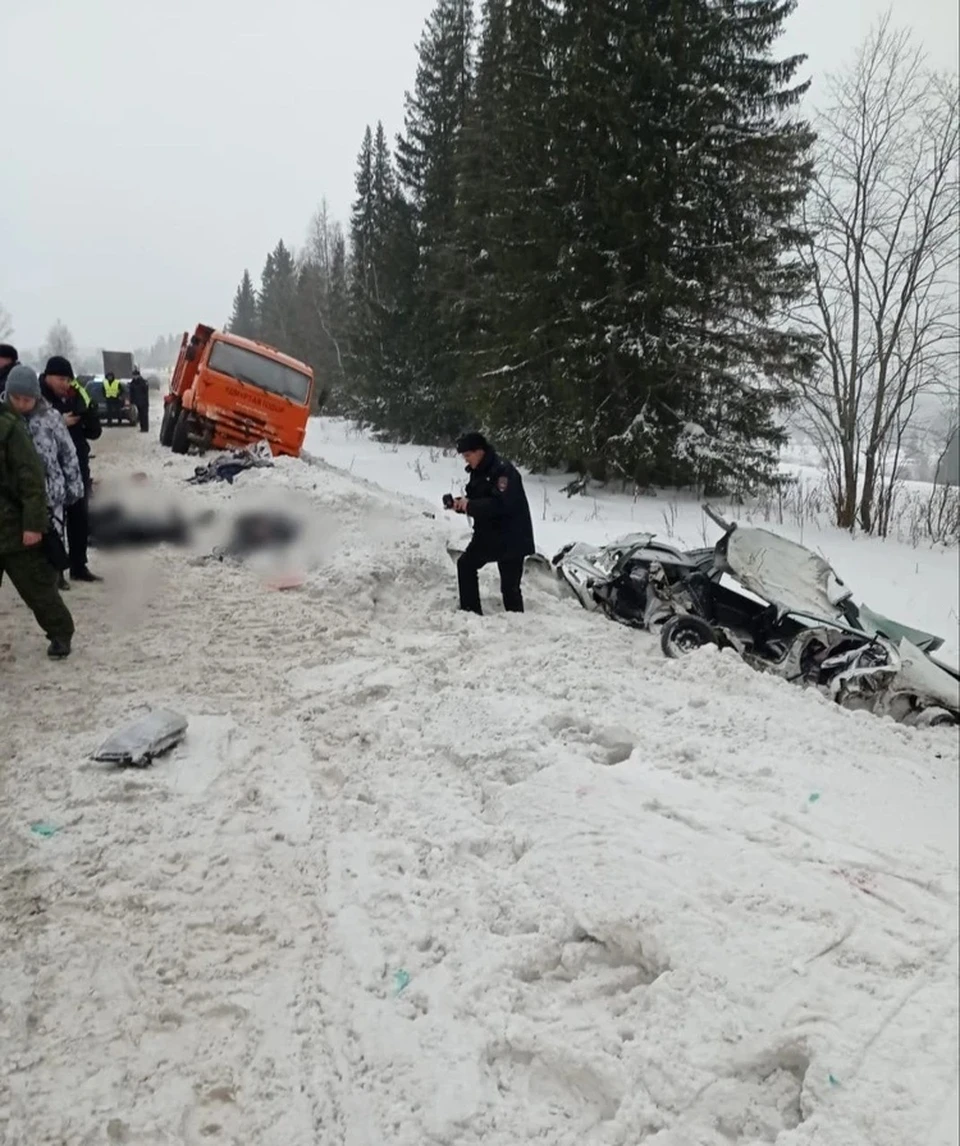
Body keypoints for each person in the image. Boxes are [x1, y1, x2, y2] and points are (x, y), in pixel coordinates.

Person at [0, 390, 75, 658]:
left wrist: (33, 525)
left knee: (37, 588)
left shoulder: (9, 429)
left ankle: (60, 633)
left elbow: (31, 480)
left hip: (13, 527)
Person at [4, 365, 85, 591]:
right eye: (16, 398)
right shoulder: (4, 420)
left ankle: (54, 575)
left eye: (27, 399)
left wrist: (74, 486)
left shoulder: (51, 418)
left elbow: (68, 453)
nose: (21, 404)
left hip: (51, 493)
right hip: (13, 495)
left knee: (53, 537)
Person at [445, 431, 535, 615]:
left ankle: (520, 625)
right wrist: (460, 505)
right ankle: (471, 613)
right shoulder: (479, 471)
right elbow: (480, 500)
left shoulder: (503, 471)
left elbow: (500, 504)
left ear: (480, 451)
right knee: (466, 565)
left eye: (468, 455)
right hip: (489, 535)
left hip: (512, 536)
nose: (466, 460)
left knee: (510, 588)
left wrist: (471, 505)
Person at [41, 356, 103, 582]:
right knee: (55, 520)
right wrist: (58, 420)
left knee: (79, 517)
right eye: (60, 379)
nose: (64, 384)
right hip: (51, 468)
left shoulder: (74, 396)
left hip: (77, 465)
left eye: (67, 379)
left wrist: (88, 411)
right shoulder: (37, 398)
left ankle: (79, 565)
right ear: (47, 376)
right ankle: (55, 570)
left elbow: (93, 432)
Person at [128, 367, 149, 432]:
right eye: (134, 376)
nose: (134, 377)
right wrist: (131, 402)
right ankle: (142, 428)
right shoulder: (133, 382)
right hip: (137, 402)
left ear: (138, 375)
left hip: (143, 402)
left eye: (135, 375)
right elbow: (131, 393)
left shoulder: (143, 382)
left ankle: (145, 428)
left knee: (144, 416)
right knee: (140, 416)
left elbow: (145, 391)